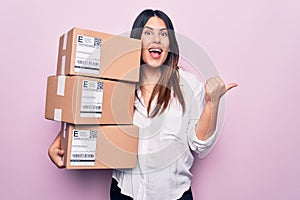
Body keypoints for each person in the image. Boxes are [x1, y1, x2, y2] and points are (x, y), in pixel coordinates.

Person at [48, 9, 237, 200]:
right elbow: (89, 113)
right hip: (124, 193)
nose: (156, 40)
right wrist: (62, 141)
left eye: (163, 34)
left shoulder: (189, 86)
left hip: (174, 195)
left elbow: (200, 145)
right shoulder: (116, 83)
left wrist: (212, 104)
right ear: (136, 41)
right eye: (148, 33)